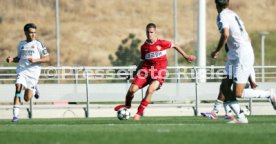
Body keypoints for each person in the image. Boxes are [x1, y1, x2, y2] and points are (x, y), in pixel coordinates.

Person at [209, 0, 276, 123]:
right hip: (236, 54)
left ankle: (269, 94)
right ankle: (240, 117)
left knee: (238, 93)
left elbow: (225, 34)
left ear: (216, 5)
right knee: (224, 86)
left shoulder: (222, 15)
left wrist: (216, 50)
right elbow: (246, 37)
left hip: (241, 54)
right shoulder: (233, 14)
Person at [114, 23, 196, 120]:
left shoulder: (162, 43)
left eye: (151, 32)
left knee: (150, 90)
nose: (149, 34)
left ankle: (138, 113)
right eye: (147, 32)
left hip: (159, 73)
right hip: (145, 71)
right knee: (132, 90)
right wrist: (134, 73)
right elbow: (142, 61)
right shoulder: (144, 47)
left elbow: (175, 45)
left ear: (155, 32)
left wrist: (186, 56)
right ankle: (127, 106)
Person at [6, 23, 50, 122]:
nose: (33, 34)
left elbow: (47, 58)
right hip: (22, 71)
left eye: (34, 32)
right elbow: (19, 58)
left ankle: (34, 88)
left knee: (27, 98)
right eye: (31, 32)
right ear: (25, 33)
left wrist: (36, 60)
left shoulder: (39, 44)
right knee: (18, 88)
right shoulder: (21, 44)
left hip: (33, 73)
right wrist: (12, 59)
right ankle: (15, 116)